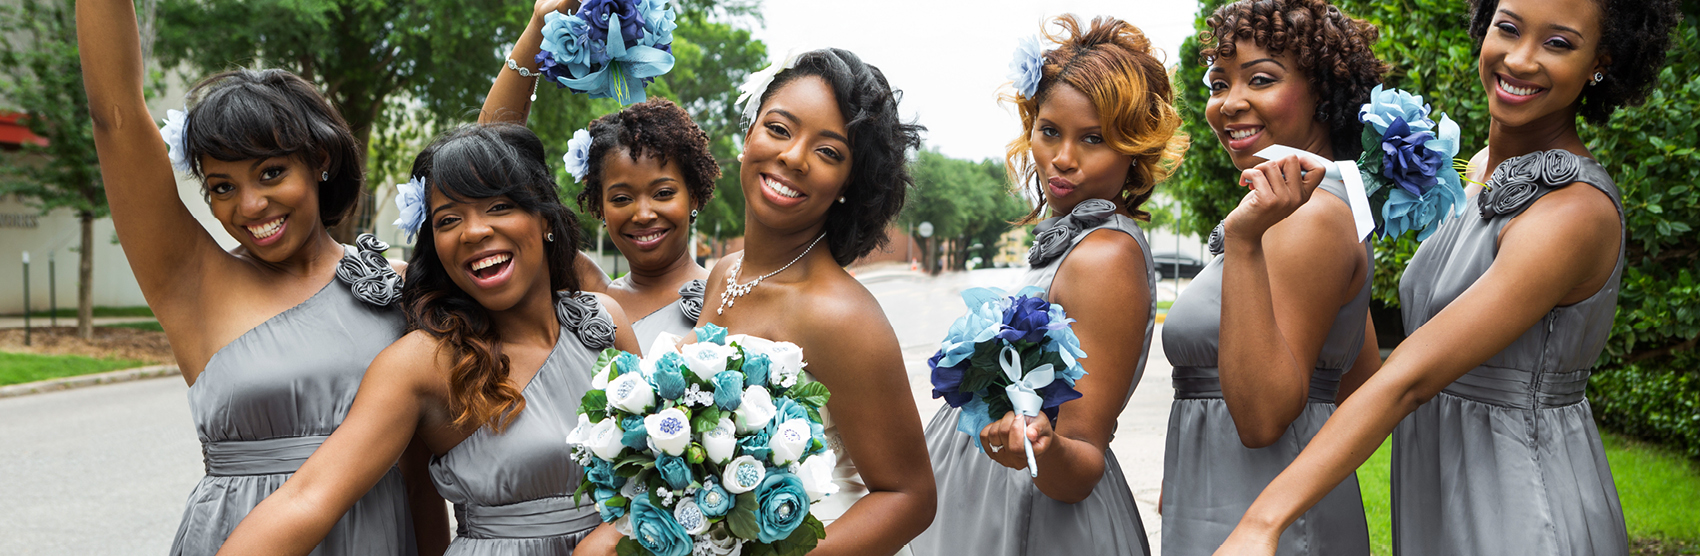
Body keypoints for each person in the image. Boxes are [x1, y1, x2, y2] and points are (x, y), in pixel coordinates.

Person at [1212, 0, 1682, 554]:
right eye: (1507, 28)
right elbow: (1370, 367)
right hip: (1436, 483)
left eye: (1558, 43)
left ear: (1599, 63)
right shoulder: (1476, 171)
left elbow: (1408, 376)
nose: (1521, 59)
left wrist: (1263, 521)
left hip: (1521, 499)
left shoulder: (1574, 211)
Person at [75, 0, 441, 552]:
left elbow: (420, 479)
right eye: (222, 187)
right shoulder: (191, 282)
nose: (250, 205)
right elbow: (115, 114)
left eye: (271, 173)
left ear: (319, 158)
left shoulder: (400, 288)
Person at [215, 124, 641, 555]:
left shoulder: (603, 321)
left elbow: (664, 469)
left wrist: (615, 535)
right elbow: (308, 497)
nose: (473, 232)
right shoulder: (424, 362)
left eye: (498, 206)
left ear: (545, 219)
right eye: (449, 219)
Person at [912, 15, 1186, 556]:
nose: (1062, 159)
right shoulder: (1077, 238)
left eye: (1094, 139)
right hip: (984, 498)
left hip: (1031, 515)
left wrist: (1035, 446)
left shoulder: (1105, 255)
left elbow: (1081, 457)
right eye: (1050, 131)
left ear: (1133, 148)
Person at [664, 47, 935, 556]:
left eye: (829, 152)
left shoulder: (841, 316)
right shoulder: (725, 272)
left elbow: (911, 498)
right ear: (748, 136)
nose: (792, 157)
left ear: (847, 186)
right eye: (780, 129)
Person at [1160, 1, 1385, 554]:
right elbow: (1357, 379)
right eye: (1218, 83)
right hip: (1229, 495)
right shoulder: (1320, 207)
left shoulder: (1305, 216)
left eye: (1260, 80)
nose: (1229, 103)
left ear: (1324, 93)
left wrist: (1240, 244)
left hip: (1262, 517)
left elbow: (1261, 421)